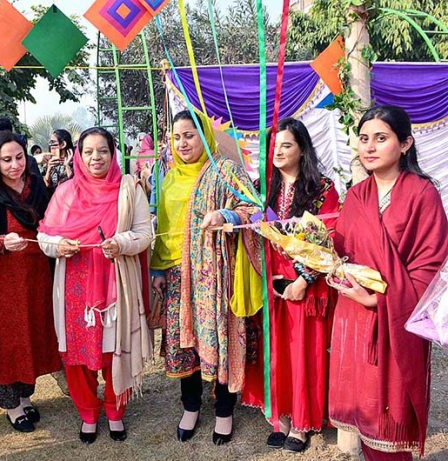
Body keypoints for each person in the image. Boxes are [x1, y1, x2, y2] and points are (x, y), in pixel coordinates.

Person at [328, 105, 447, 461]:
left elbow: (429, 268)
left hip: (396, 320)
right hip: (356, 321)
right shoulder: (357, 194)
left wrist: (376, 300)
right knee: (365, 419)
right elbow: (342, 249)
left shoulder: (422, 195)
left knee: (391, 425)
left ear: (405, 143)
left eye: (381, 138)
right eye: (364, 139)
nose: (369, 147)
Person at [151, 110, 260, 445]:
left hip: (214, 273)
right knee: (185, 344)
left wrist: (224, 214)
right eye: (177, 137)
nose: (183, 143)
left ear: (204, 137)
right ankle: (191, 406)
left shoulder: (224, 171)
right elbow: (165, 229)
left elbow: (251, 208)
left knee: (218, 338)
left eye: (190, 135)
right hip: (176, 275)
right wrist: (157, 268)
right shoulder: (168, 177)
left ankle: (225, 410)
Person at [38, 127, 153, 444]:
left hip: (117, 286)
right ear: (78, 155)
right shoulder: (66, 192)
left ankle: (115, 412)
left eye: (102, 150)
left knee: (115, 351)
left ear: (113, 153)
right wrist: (59, 245)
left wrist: (121, 242)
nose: (95, 157)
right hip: (74, 287)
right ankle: (88, 413)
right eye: (88, 151)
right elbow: (44, 236)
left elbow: (144, 234)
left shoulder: (129, 189)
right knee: (78, 356)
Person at [241, 118, 340, 452]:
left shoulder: (322, 189)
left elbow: (330, 237)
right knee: (274, 349)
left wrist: (303, 280)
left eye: (286, 145)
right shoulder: (261, 189)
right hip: (270, 281)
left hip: (305, 284)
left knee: (303, 350)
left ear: (302, 149)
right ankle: (279, 414)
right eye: (274, 145)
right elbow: (247, 225)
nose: (278, 152)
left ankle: (301, 420)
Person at [0, 131, 61, 433]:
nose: (14, 165)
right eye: (6, 160)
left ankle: (25, 395)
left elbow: (50, 220)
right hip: (1, 278)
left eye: (19, 157)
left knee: (31, 332)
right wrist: (1, 242)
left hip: (35, 275)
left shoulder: (35, 186)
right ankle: (11, 405)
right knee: (7, 339)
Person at [40, 129, 74, 193]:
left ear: (63, 144)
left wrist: (67, 165)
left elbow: (74, 183)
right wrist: (49, 169)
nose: (50, 145)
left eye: (53, 142)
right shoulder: (50, 162)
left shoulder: (74, 161)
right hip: (54, 200)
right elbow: (46, 184)